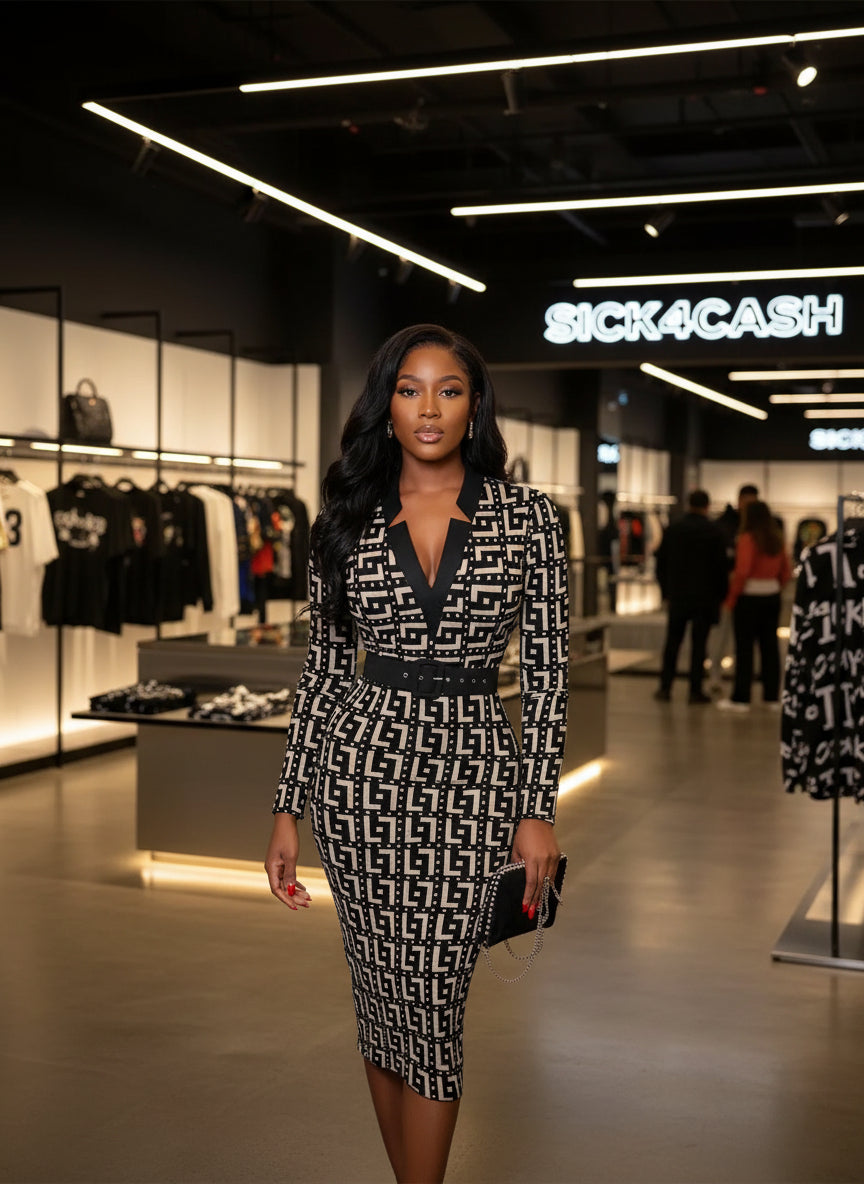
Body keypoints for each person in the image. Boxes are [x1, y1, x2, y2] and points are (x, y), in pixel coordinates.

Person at [264, 324, 569, 1184]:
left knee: (432, 1000)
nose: (428, 408)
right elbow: (322, 674)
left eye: (448, 390)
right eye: (408, 389)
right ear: (384, 405)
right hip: (361, 782)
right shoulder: (343, 520)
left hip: (474, 776)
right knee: (380, 1000)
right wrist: (289, 806)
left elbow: (548, 677)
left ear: (475, 407)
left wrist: (536, 808)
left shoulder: (528, 520)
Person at [654, 489, 728, 704]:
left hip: (678, 595)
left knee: (673, 642)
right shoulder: (714, 531)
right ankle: (695, 690)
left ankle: (665, 687)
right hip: (704, 598)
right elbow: (720, 568)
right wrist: (720, 596)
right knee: (699, 644)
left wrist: (665, 591)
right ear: (707, 505)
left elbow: (661, 562)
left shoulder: (674, 529)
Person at [717, 498, 791, 712]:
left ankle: (741, 698)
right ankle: (771, 696)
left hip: (749, 598)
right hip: (771, 596)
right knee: (770, 647)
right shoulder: (777, 539)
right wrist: (776, 586)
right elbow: (786, 571)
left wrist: (731, 598)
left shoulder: (747, 538)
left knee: (744, 648)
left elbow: (742, 571)